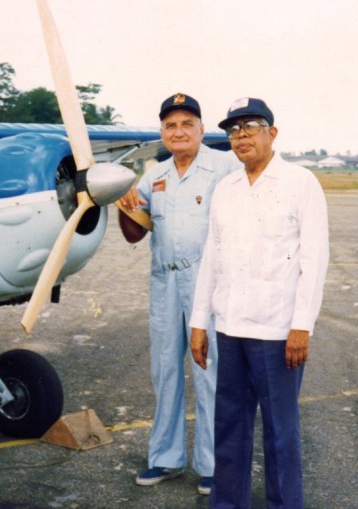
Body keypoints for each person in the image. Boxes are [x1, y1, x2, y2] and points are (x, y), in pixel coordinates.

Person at [189, 97, 330, 508]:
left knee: (280, 431)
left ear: (273, 132)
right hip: (230, 329)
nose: (241, 137)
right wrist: (200, 323)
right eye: (234, 130)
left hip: (277, 332)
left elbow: (314, 260)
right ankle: (227, 503)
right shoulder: (226, 188)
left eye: (251, 126)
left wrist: (301, 326)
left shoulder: (301, 183)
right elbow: (212, 258)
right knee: (229, 426)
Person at [119, 93, 241, 495]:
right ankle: (165, 459)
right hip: (165, 281)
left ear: (202, 129)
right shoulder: (154, 174)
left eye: (187, 123)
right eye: (171, 125)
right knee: (165, 370)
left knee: (210, 371)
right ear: (162, 133)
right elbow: (135, 233)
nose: (179, 131)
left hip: (208, 282)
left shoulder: (224, 167)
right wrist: (123, 206)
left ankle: (212, 465)